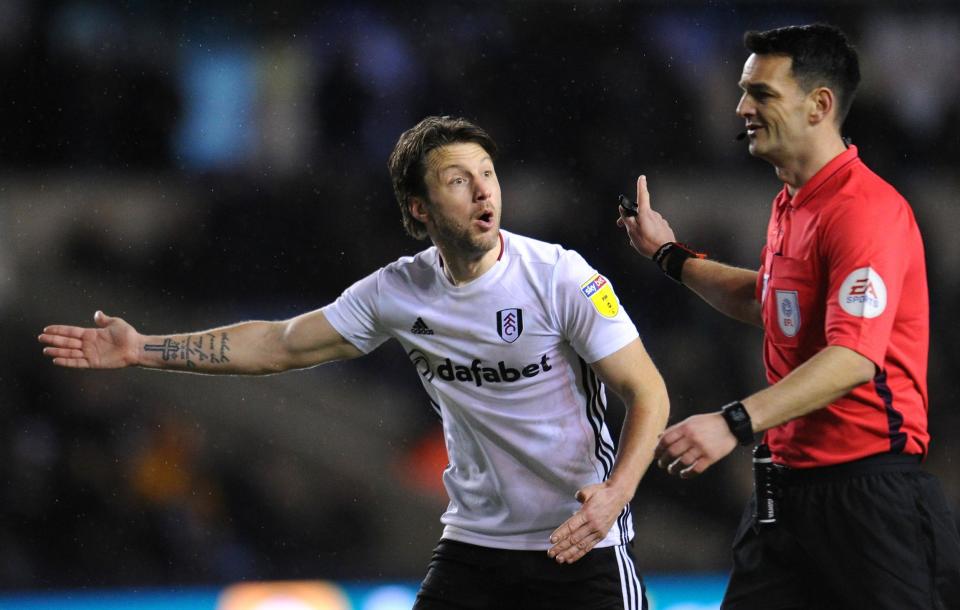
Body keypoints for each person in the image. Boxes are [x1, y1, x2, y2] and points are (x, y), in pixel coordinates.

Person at [40, 115, 668, 610]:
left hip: (583, 543)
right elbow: (279, 343)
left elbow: (649, 393)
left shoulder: (561, 278)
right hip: (478, 547)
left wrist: (617, 494)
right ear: (419, 208)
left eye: (488, 173)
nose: (483, 191)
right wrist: (142, 348)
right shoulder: (399, 291)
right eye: (458, 180)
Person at [617, 23, 960, 609]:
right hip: (786, 496)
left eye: (762, 93)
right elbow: (769, 301)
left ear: (819, 105)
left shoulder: (864, 211)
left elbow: (853, 356)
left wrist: (731, 422)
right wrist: (670, 257)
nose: (741, 107)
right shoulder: (793, 202)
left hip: (868, 500)